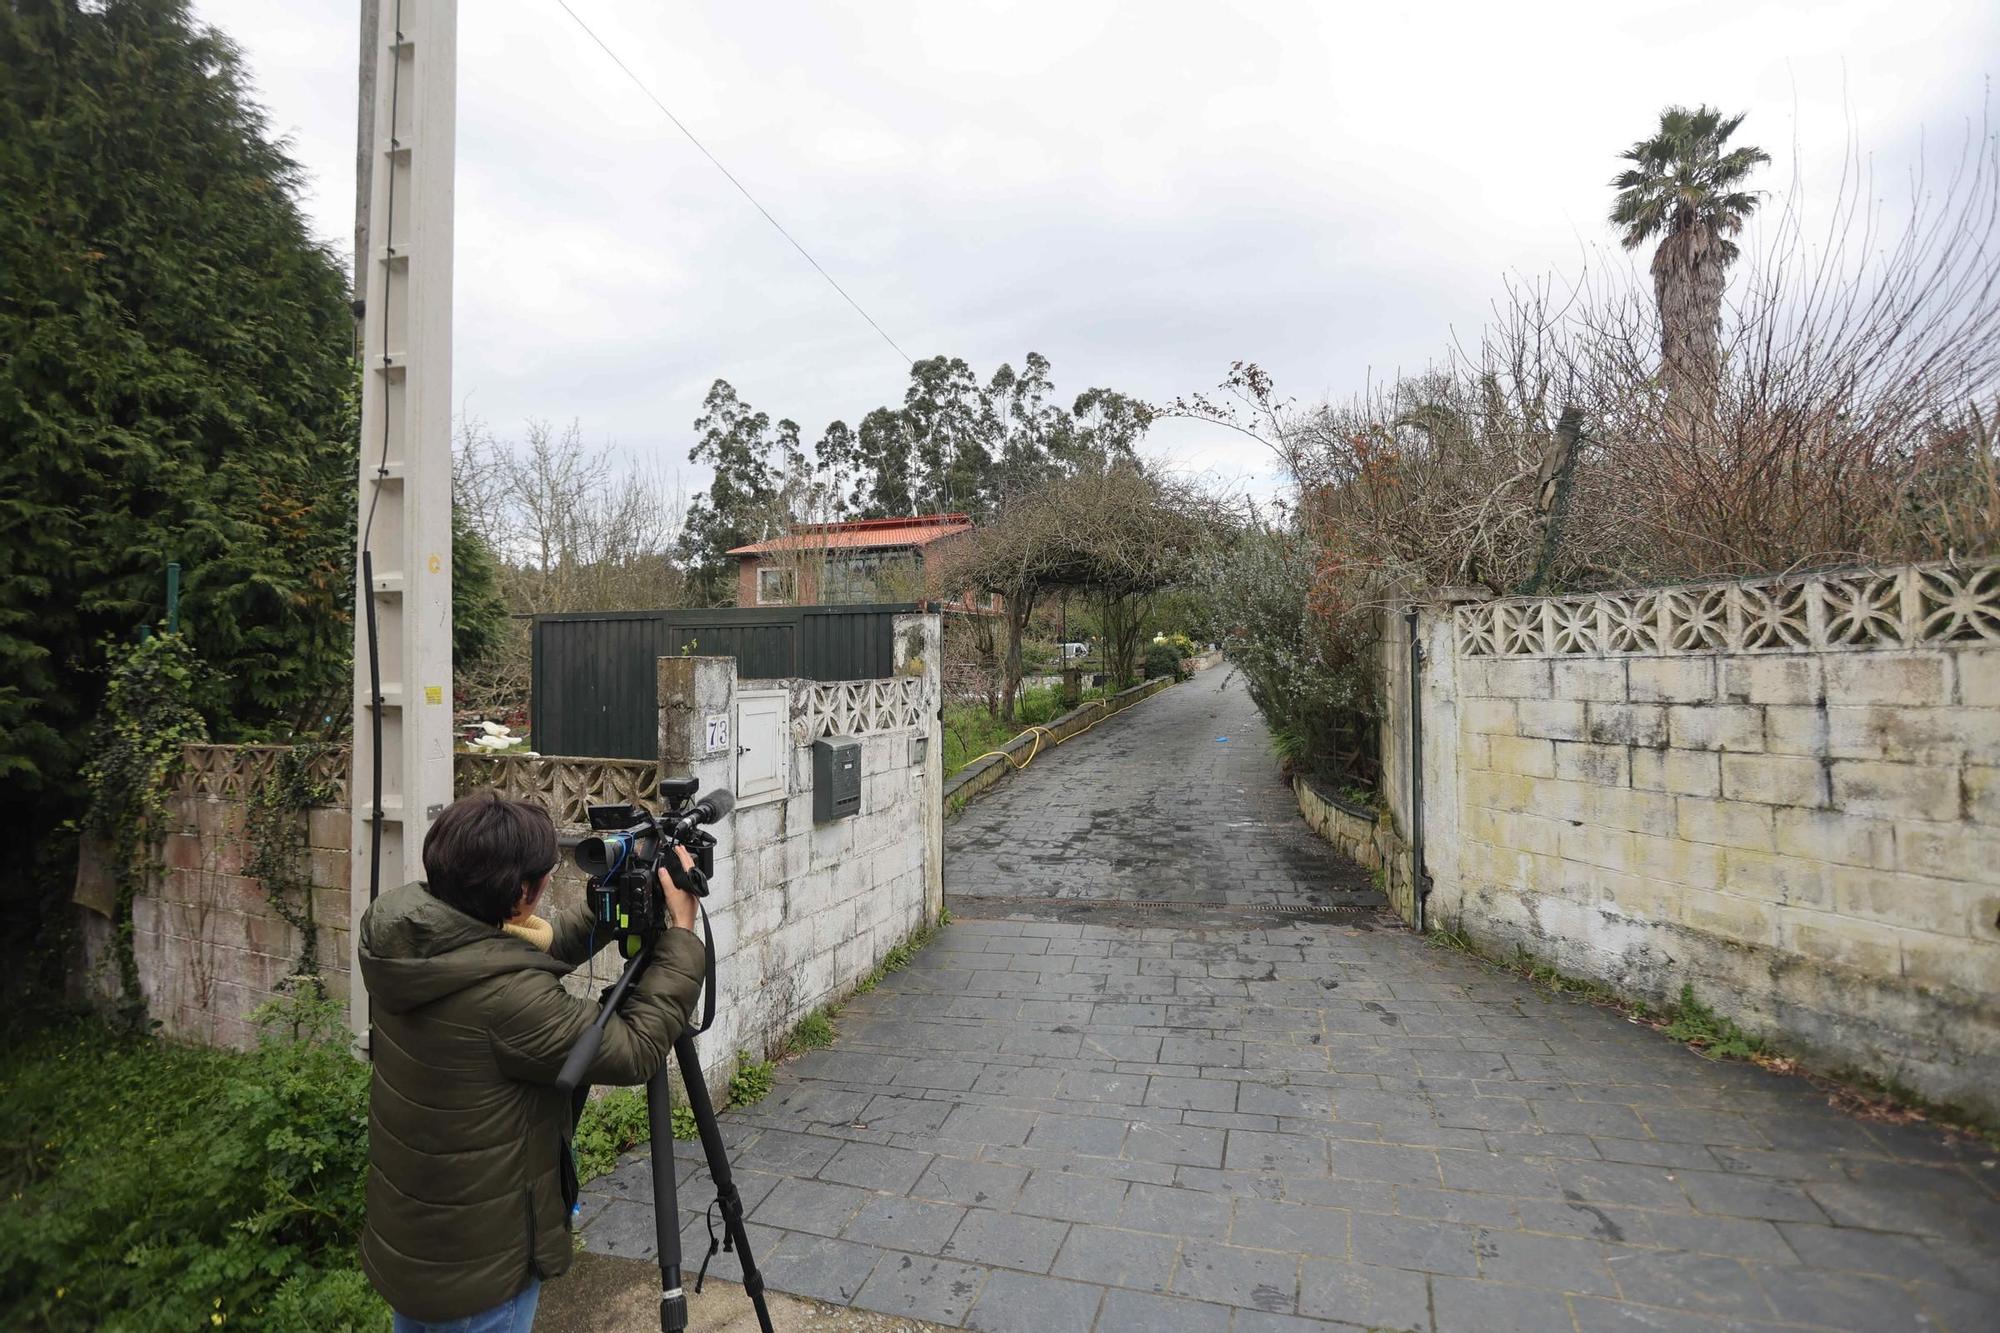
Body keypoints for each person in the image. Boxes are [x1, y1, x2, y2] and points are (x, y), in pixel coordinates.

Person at [357, 789, 706, 1331]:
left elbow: (517, 950)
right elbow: (635, 1048)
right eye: (545, 876)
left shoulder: (416, 941)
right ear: (522, 891)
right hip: (482, 1271)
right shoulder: (509, 1001)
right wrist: (682, 936)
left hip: (423, 1242)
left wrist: (607, 906)